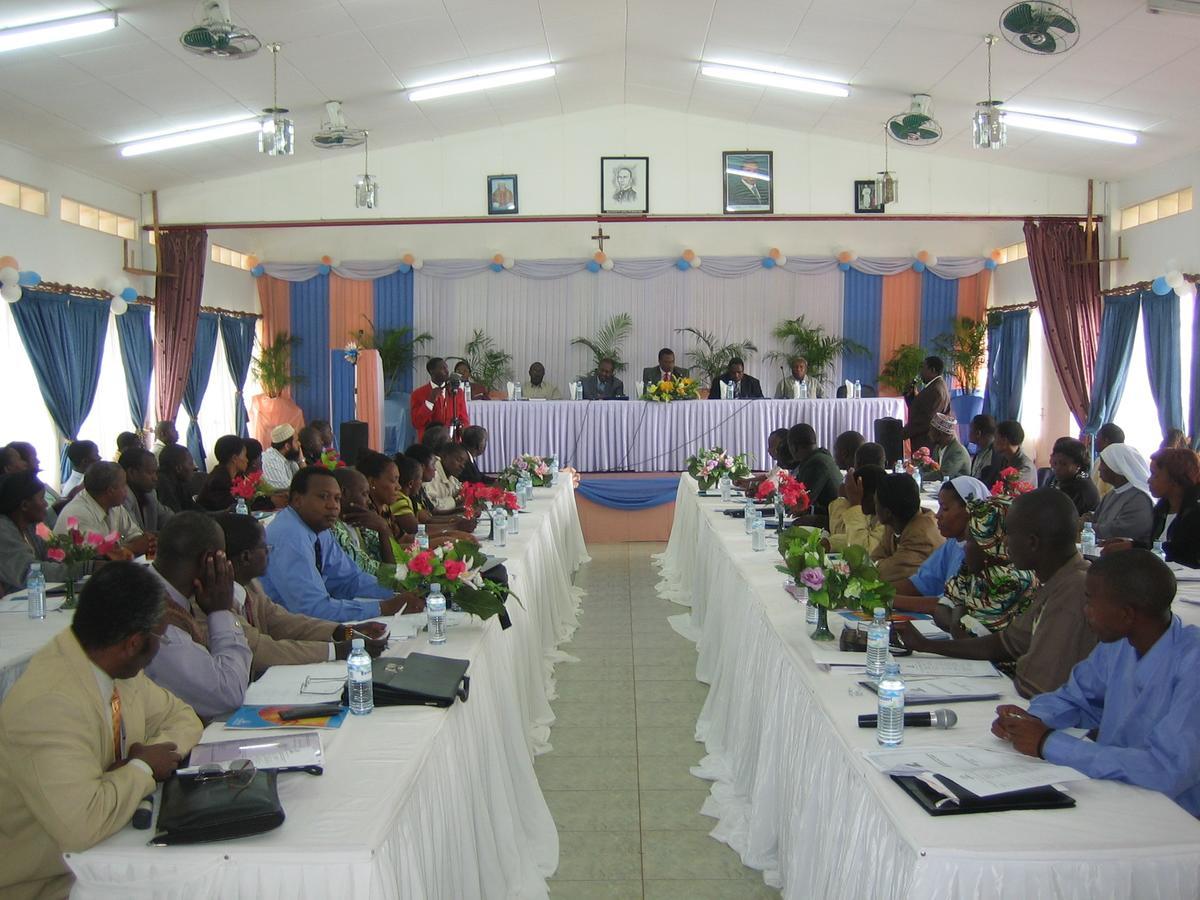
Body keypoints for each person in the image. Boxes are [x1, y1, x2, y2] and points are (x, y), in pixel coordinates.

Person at [0, 563, 201, 899]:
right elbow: (82, 825)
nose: (159, 647)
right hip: (50, 884)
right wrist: (144, 767)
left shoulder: (110, 663)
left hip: (111, 853)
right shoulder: (48, 703)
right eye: (159, 638)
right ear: (134, 643)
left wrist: (143, 760)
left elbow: (184, 717)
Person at [992, 551, 1200, 816]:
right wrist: (1028, 721)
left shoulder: (1192, 665)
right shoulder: (1120, 644)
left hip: (1174, 817)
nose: (1084, 611)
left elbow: (1166, 770)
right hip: (1114, 792)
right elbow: (1075, 699)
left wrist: (1048, 743)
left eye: (1090, 601)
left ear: (1126, 614)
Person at [895, 489, 1097, 698]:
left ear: (1032, 542)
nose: (1005, 542)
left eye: (1010, 533)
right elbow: (1004, 644)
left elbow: (1039, 688)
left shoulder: (1075, 591)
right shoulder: (1058, 581)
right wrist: (926, 645)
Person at [211, 514, 386, 677]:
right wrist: (337, 651)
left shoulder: (249, 584)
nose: (269, 553)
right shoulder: (214, 599)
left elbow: (282, 621)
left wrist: (343, 632)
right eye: (265, 548)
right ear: (246, 557)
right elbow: (262, 650)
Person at [261, 466, 418, 620]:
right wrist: (384, 607)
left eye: (337, 498)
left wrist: (402, 590)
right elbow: (312, 609)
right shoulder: (290, 536)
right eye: (323, 497)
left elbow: (350, 579)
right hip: (285, 633)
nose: (333, 506)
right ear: (297, 500)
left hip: (310, 625)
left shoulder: (318, 528)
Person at [143, 512, 252, 720]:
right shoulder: (161, 623)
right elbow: (228, 694)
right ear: (208, 561)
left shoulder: (163, 591)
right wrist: (221, 612)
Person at [0, 472, 115, 594]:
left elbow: (54, 558)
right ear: (24, 505)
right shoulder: (3, 530)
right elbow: (28, 573)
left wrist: (97, 556)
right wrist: (86, 568)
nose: (46, 504)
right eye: (41, 498)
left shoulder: (31, 526)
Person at [939, 496, 1038, 636]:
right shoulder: (973, 570)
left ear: (988, 547)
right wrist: (959, 615)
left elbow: (967, 635)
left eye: (969, 541)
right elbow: (941, 610)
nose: (964, 548)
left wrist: (957, 608)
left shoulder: (1012, 580)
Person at [893, 476, 991, 600]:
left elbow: (950, 605)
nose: (938, 515)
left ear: (970, 510)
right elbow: (922, 583)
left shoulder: (980, 553)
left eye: (945, 508)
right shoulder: (952, 544)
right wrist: (875, 591)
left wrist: (891, 600)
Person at [1105, 448, 1200, 567]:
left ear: (1175, 479)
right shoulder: (1161, 510)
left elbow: (1184, 554)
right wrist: (1130, 544)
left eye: (1155, 475)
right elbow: (1156, 547)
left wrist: (1135, 547)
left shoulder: (1195, 514)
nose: (1149, 480)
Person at [53, 462, 152, 555]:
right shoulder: (77, 515)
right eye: (123, 485)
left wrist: (145, 541)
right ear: (110, 491)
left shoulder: (114, 504)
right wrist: (133, 547)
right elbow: (98, 556)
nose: (126, 490)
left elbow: (133, 534)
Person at [871, 473, 945, 583]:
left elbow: (882, 573)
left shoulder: (921, 536)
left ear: (887, 513)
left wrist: (880, 564)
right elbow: (874, 559)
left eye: (876, 503)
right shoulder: (895, 522)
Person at [329, 466, 401, 579]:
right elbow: (386, 574)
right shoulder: (334, 529)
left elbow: (395, 561)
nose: (368, 500)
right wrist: (383, 528)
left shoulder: (360, 523)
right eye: (364, 494)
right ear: (344, 493)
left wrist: (384, 529)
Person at [1092, 443, 1154, 546]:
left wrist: (1085, 528)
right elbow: (1096, 518)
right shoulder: (1112, 493)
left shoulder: (1139, 499)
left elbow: (1120, 532)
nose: (1099, 469)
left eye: (1103, 464)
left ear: (1117, 466)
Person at [827, 464, 886, 554]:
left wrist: (855, 504)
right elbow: (848, 534)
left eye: (855, 494)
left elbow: (863, 552)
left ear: (871, 498)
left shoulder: (889, 517)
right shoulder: (873, 514)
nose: (850, 499)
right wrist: (831, 543)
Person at [787, 424, 842, 518]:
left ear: (794, 447)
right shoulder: (820, 457)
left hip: (833, 519)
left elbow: (802, 501)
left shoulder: (816, 463)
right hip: (831, 514)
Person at [411, 357, 470, 441]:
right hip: (430, 444)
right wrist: (430, 401)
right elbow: (417, 423)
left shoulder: (457, 392)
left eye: (446, 368)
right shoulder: (418, 394)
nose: (447, 371)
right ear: (432, 371)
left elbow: (464, 419)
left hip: (452, 443)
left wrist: (463, 430)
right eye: (442, 368)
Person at [902, 356, 952, 452]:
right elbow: (921, 408)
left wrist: (903, 434)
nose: (921, 372)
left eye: (923, 368)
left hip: (926, 442)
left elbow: (925, 419)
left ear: (932, 370)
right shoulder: (936, 385)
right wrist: (911, 397)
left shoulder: (935, 390)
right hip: (924, 440)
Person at [119, 447, 174, 533]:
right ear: (132, 473)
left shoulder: (150, 493)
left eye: (156, 472)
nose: (155, 478)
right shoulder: (121, 499)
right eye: (150, 473)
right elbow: (134, 535)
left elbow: (167, 517)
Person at [1045, 437, 1100, 516]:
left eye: (1063, 464)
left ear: (1078, 465)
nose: (1057, 468)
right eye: (1055, 463)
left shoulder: (1084, 489)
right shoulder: (1055, 479)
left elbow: (1068, 517)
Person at [825, 431, 866, 535]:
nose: (833, 457)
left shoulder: (854, 483)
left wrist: (841, 498)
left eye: (835, 450)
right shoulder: (854, 477)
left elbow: (840, 531)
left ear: (844, 453)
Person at [196, 434, 249, 512]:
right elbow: (230, 509)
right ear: (234, 458)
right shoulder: (218, 481)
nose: (247, 460)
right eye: (245, 456)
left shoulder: (235, 475)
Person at [992, 420, 1037, 488]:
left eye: (996, 438)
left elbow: (1010, 491)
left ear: (1004, 440)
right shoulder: (1003, 460)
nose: (993, 442)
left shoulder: (1026, 467)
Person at [155, 443, 198, 513]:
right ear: (178, 468)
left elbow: (195, 509)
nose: (194, 467)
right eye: (190, 463)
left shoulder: (180, 481)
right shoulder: (163, 485)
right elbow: (177, 519)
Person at [928, 413, 971, 478]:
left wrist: (918, 476)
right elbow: (932, 469)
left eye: (932, 431)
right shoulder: (938, 448)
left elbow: (944, 475)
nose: (929, 434)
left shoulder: (958, 451)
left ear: (940, 434)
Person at [261, 423, 302, 490]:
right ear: (287, 446)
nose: (299, 444)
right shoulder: (272, 460)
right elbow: (287, 489)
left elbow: (303, 479)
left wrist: (301, 461)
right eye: (296, 441)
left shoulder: (289, 457)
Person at [1091, 422, 1124, 500]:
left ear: (1105, 441)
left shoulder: (1116, 465)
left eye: (1097, 437)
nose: (1095, 440)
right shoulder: (1099, 460)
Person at [969, 414, 998, 483]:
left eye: (971, 430)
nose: (969, 433)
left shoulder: (995, 456)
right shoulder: (980, 452)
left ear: (978, 433)